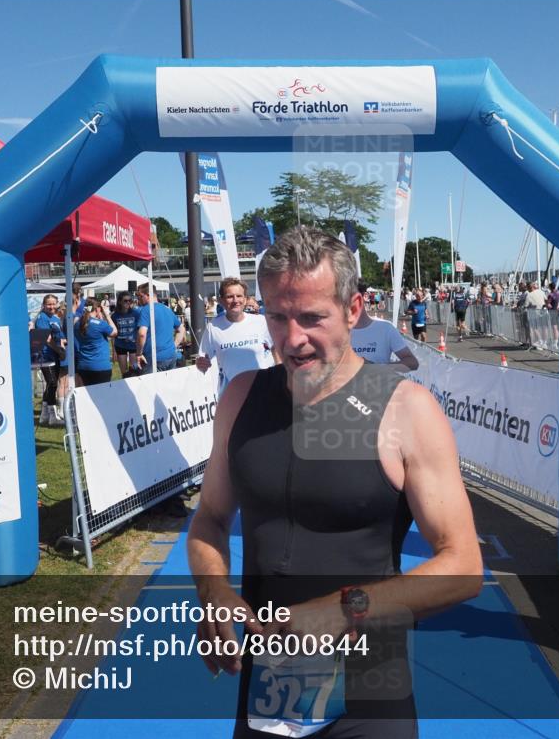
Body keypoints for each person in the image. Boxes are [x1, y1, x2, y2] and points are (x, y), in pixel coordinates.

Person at [187, 227, 481, 738]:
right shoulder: (240, 397)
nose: (292, 338)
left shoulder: (406, 409)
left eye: (311, 317)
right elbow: (210, 518)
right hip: (268, 690)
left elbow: (462, 566)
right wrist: (214, 591)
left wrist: (344, 609)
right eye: (277, 316)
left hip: (368, 696)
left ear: (353, 309)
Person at [196, 278, 276, 392]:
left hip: (261, 392)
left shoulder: (261, 322)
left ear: (245, 299)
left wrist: (280, 374)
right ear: (221, 300)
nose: (235, 300)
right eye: (230, 296)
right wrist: (201, 364)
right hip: (231, 396)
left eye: (239, 296)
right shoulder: (213, 327)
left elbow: (276, 348)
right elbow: (202, 362)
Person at [350, 282, 419, 371]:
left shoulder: (385, 329)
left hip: (379, 383)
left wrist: (380, 368)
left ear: (365, 297)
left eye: (351, 297)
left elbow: (412, 363)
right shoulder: (336, 333)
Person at [135, 284, 184, 373]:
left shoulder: (146, 310)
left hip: (154, 359)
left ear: (148, 295)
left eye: (140, 296)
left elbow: (142, 334)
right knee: (168, 385)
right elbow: (181, 329)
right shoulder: (167, 309)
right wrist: (174, 345)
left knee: (151, 386)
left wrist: (139, 353)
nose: (139, 299)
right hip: (171, 356)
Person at [33, 294, 66, 425]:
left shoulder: (56, 319)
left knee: (52, 384)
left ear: (57, 304)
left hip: (56, 355)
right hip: (45, 356)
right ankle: (52, 416)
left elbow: (60, 337)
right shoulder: (42, 318)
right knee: (52, 383)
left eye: (53, 304)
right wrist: (59, 350)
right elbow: (46, 339)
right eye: (49, 304)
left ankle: (44, 414)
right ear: (44, 305)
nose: (51, 306)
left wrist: (63, 348)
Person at [73, 298, 117, 386]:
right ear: (98, 309)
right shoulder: (100, 324)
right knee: (101, 396)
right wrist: (107, 315)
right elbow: (114, 332)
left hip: (83, 366)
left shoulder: (77, 324)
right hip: (100, 366)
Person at [111, 292, 140, 378]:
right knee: (124, 373)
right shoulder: (115, 316)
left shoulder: (135, 313)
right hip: (120, 346)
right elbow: (113, 334)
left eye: (130, 301)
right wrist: (114, 351)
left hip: (133, 346)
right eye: (125, 301)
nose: (128, 303)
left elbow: (139, 330)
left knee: (134, 371)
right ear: (120, 301)